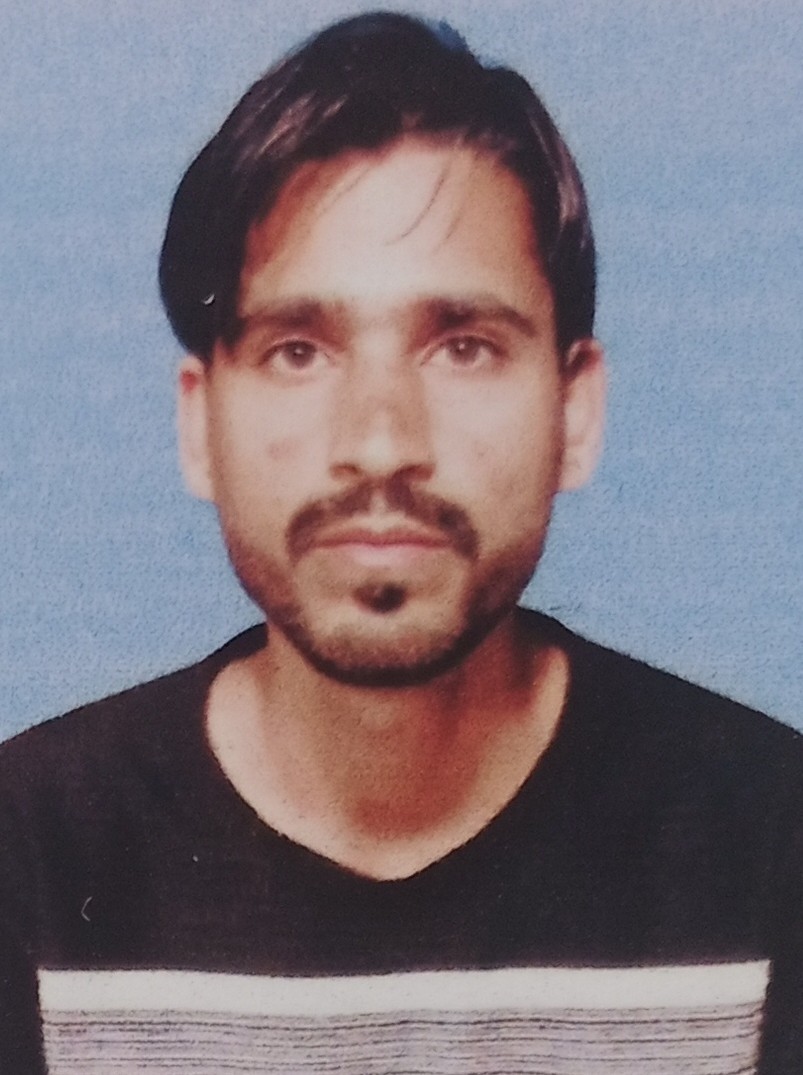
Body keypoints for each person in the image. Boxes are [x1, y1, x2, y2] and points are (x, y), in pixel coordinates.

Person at [0, 12, 800, 1074]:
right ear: (199, 424)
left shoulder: (768, 841)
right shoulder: (32, 848)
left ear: (574, 410)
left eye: (462, 346)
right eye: (297, 350)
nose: (380, 444)